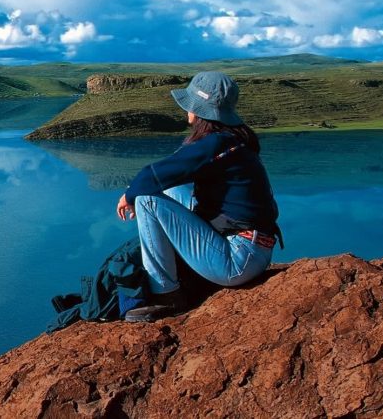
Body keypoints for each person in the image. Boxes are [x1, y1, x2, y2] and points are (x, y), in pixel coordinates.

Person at [116, 71, 282, 322]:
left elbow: (156, 173)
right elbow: (172, 172)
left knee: (146, 200)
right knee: (170, 192)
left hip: (237, 260)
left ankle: (167, 295)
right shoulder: (234, 139)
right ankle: (178, 268)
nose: (187, 109)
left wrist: (129, 194)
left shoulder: (216, 144)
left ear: (200, 109)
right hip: (251, 248)